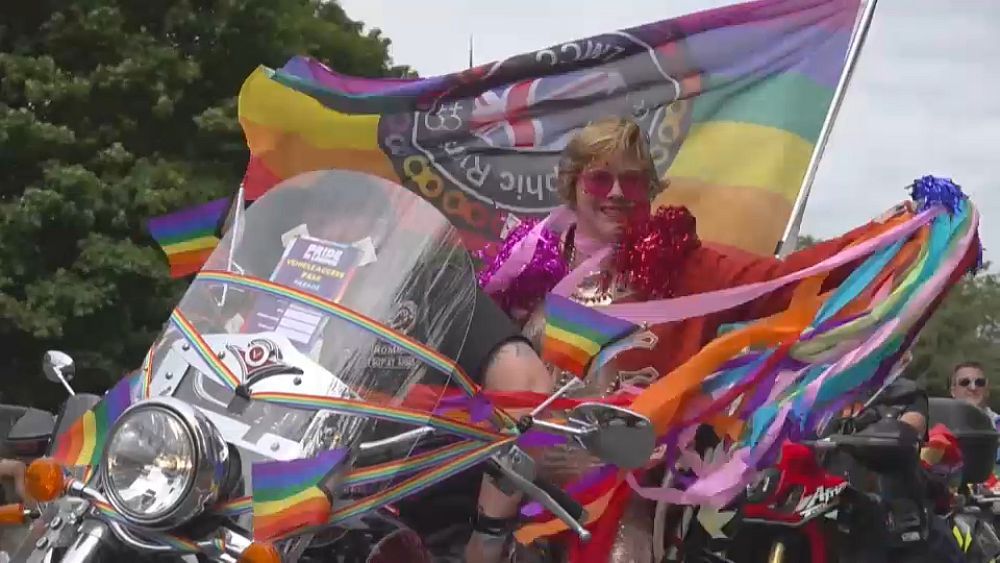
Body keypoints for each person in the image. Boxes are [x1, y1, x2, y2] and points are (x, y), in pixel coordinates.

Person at [466, 117, 981, 563]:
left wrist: (898, 233)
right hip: (510, 475)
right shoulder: (527, 265)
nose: (618, 194)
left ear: (652, 189)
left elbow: (791, 281)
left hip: (623, 490)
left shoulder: (686, 263)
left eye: (634, 180)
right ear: (573, 185)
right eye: (601, 179)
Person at [950, 361, 999, 425]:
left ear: (987, 390)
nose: (973, 388)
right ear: (953, 391)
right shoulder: (938, 424)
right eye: (965, 382)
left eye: (979, 382)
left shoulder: (998, 424)